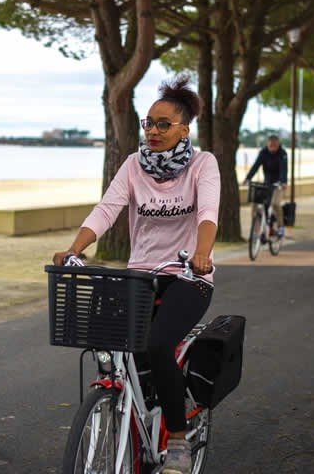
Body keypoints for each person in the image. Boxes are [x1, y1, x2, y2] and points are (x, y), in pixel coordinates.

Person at [53, 76, 219, 474]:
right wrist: (76, 247)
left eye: (164, 124)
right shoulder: (133, 165)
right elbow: (107, 209)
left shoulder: (202, 164)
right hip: (139, 275)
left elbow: (208, 213)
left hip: (186, 275)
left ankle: (177, 438)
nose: (154, 131)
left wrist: (202, 253)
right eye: (149, 123)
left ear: (184, 129)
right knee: (111, 345)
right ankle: (127, 407)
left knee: (159, 344)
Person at [243, 134, 288, 236]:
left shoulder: (282, 153)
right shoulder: (263, 153)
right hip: (266, 183)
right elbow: (256, 166)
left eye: (274, 146)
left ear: (278, 145)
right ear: (267, 144)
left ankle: (281, 227)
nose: (272, 148)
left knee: (275, 204)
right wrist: (248, 178)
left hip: (278, 184)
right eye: (270, 146)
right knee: (255, 204)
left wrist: (283, 182)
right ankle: (256, 231)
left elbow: (284, 169)